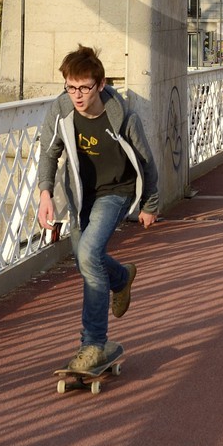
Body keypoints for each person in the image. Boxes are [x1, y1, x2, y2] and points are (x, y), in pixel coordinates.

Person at [37, 45, 160, 375]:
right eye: (71, 87)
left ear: (101, 84)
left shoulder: (122, 116)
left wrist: (150, 204)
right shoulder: (62, 111)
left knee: (89, 253)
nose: (77, 95)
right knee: (84, 258)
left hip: (116, 192)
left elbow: (147, 162)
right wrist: (45, 194)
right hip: (80, 197)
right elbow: (49, 154)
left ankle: (93, 342)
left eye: (84, 88)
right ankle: (120, 277)